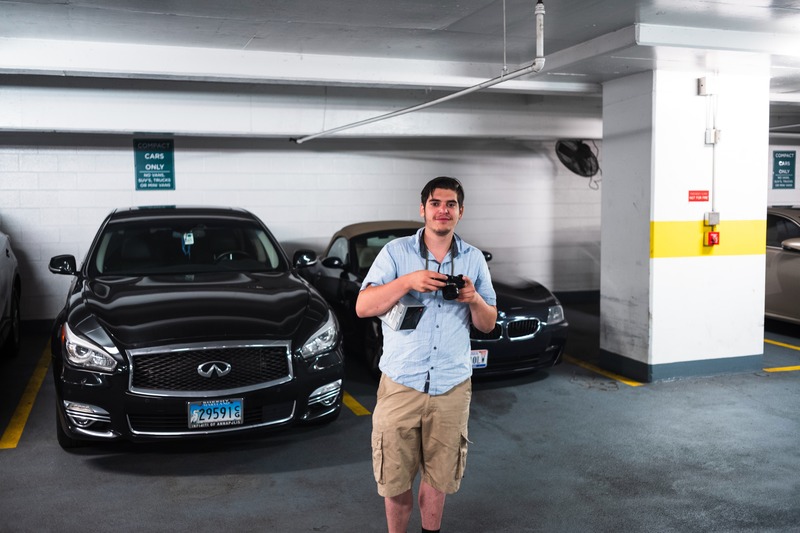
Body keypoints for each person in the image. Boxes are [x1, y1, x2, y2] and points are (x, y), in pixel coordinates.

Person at [355, 176, 498, 533]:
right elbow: (362, 306)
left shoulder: (474, 259)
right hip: (402, 384)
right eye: (435, 203)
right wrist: (407, 282)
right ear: (423, 209)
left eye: (450, 204)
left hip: (451, 387)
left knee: (439, 476)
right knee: (395, 478)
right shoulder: (395, 253)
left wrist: (473, 299)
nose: (442, 210)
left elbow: (488, 324)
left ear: (460, 212)